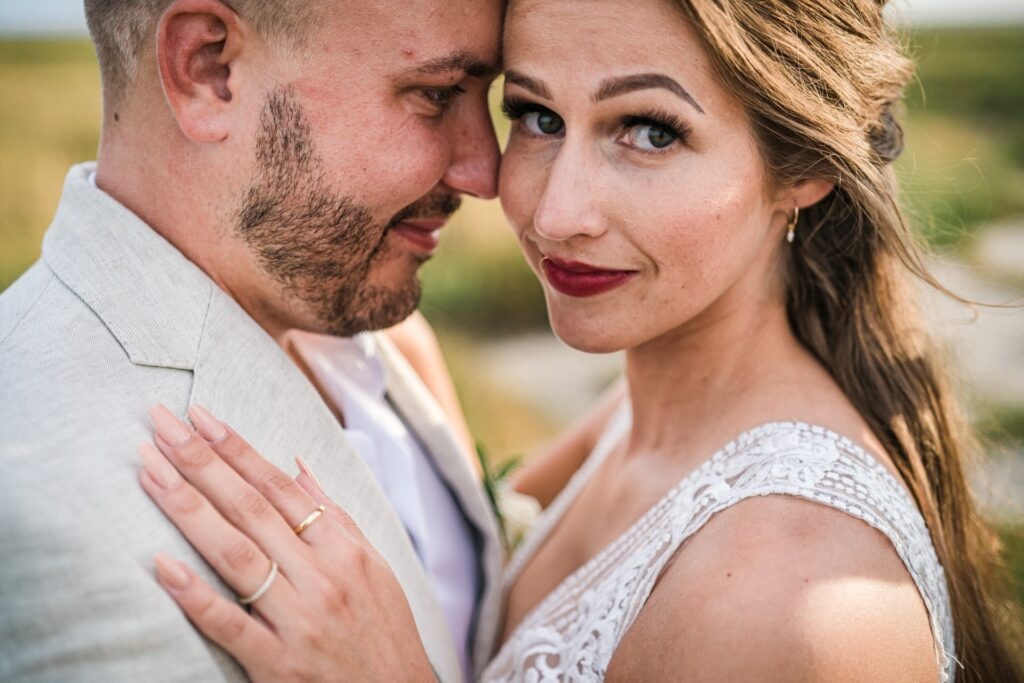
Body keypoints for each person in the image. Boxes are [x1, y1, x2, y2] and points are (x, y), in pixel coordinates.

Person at [136, 0, 1024, 681]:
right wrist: (408, 408)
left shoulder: (799, 608)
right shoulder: (642, 417)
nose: (555, 213)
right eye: (537, 117)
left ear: (807, 167)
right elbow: (492, 555)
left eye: (649, 130)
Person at [0, 0, 510, 681]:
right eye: (437, 94)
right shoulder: (40, 521)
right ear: (208, 70)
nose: (486, 171)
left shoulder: (371, 332)